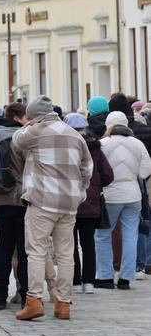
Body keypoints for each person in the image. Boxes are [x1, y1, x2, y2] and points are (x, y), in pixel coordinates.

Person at [10, 95, 91, 320]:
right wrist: (80, 191)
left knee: (36, 250)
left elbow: (16, 140)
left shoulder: (35, 131)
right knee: (66, 254)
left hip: (42, 200)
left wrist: (31, 124)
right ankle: (63, 303)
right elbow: (87, 169)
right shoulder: (74, 134)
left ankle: (34, 301)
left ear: (34, 115)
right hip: (69, 203)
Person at [95, 109, 151, 290]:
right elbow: (144, 171)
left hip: (110, 194)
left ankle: (105, 276)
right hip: (133, 194)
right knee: (131, 235)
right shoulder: (137, 144)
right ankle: (126, 277)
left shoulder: (103, 143)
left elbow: (94, 171)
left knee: (103, 235)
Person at [0, 102, 27, 310]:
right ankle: (26, 294)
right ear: (18, 117)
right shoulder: (22, 138)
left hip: (0, 200)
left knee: (4, 248)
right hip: (23, 199)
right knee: (24, 249)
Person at [64, 112, 113, 293]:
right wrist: (96, 186)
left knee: (71, 244)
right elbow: (108, 175)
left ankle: (75, 281)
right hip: (91, 202)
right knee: (88, 243)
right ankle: (89, 283)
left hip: (70, 202)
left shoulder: (66, 148)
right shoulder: (95, 148)